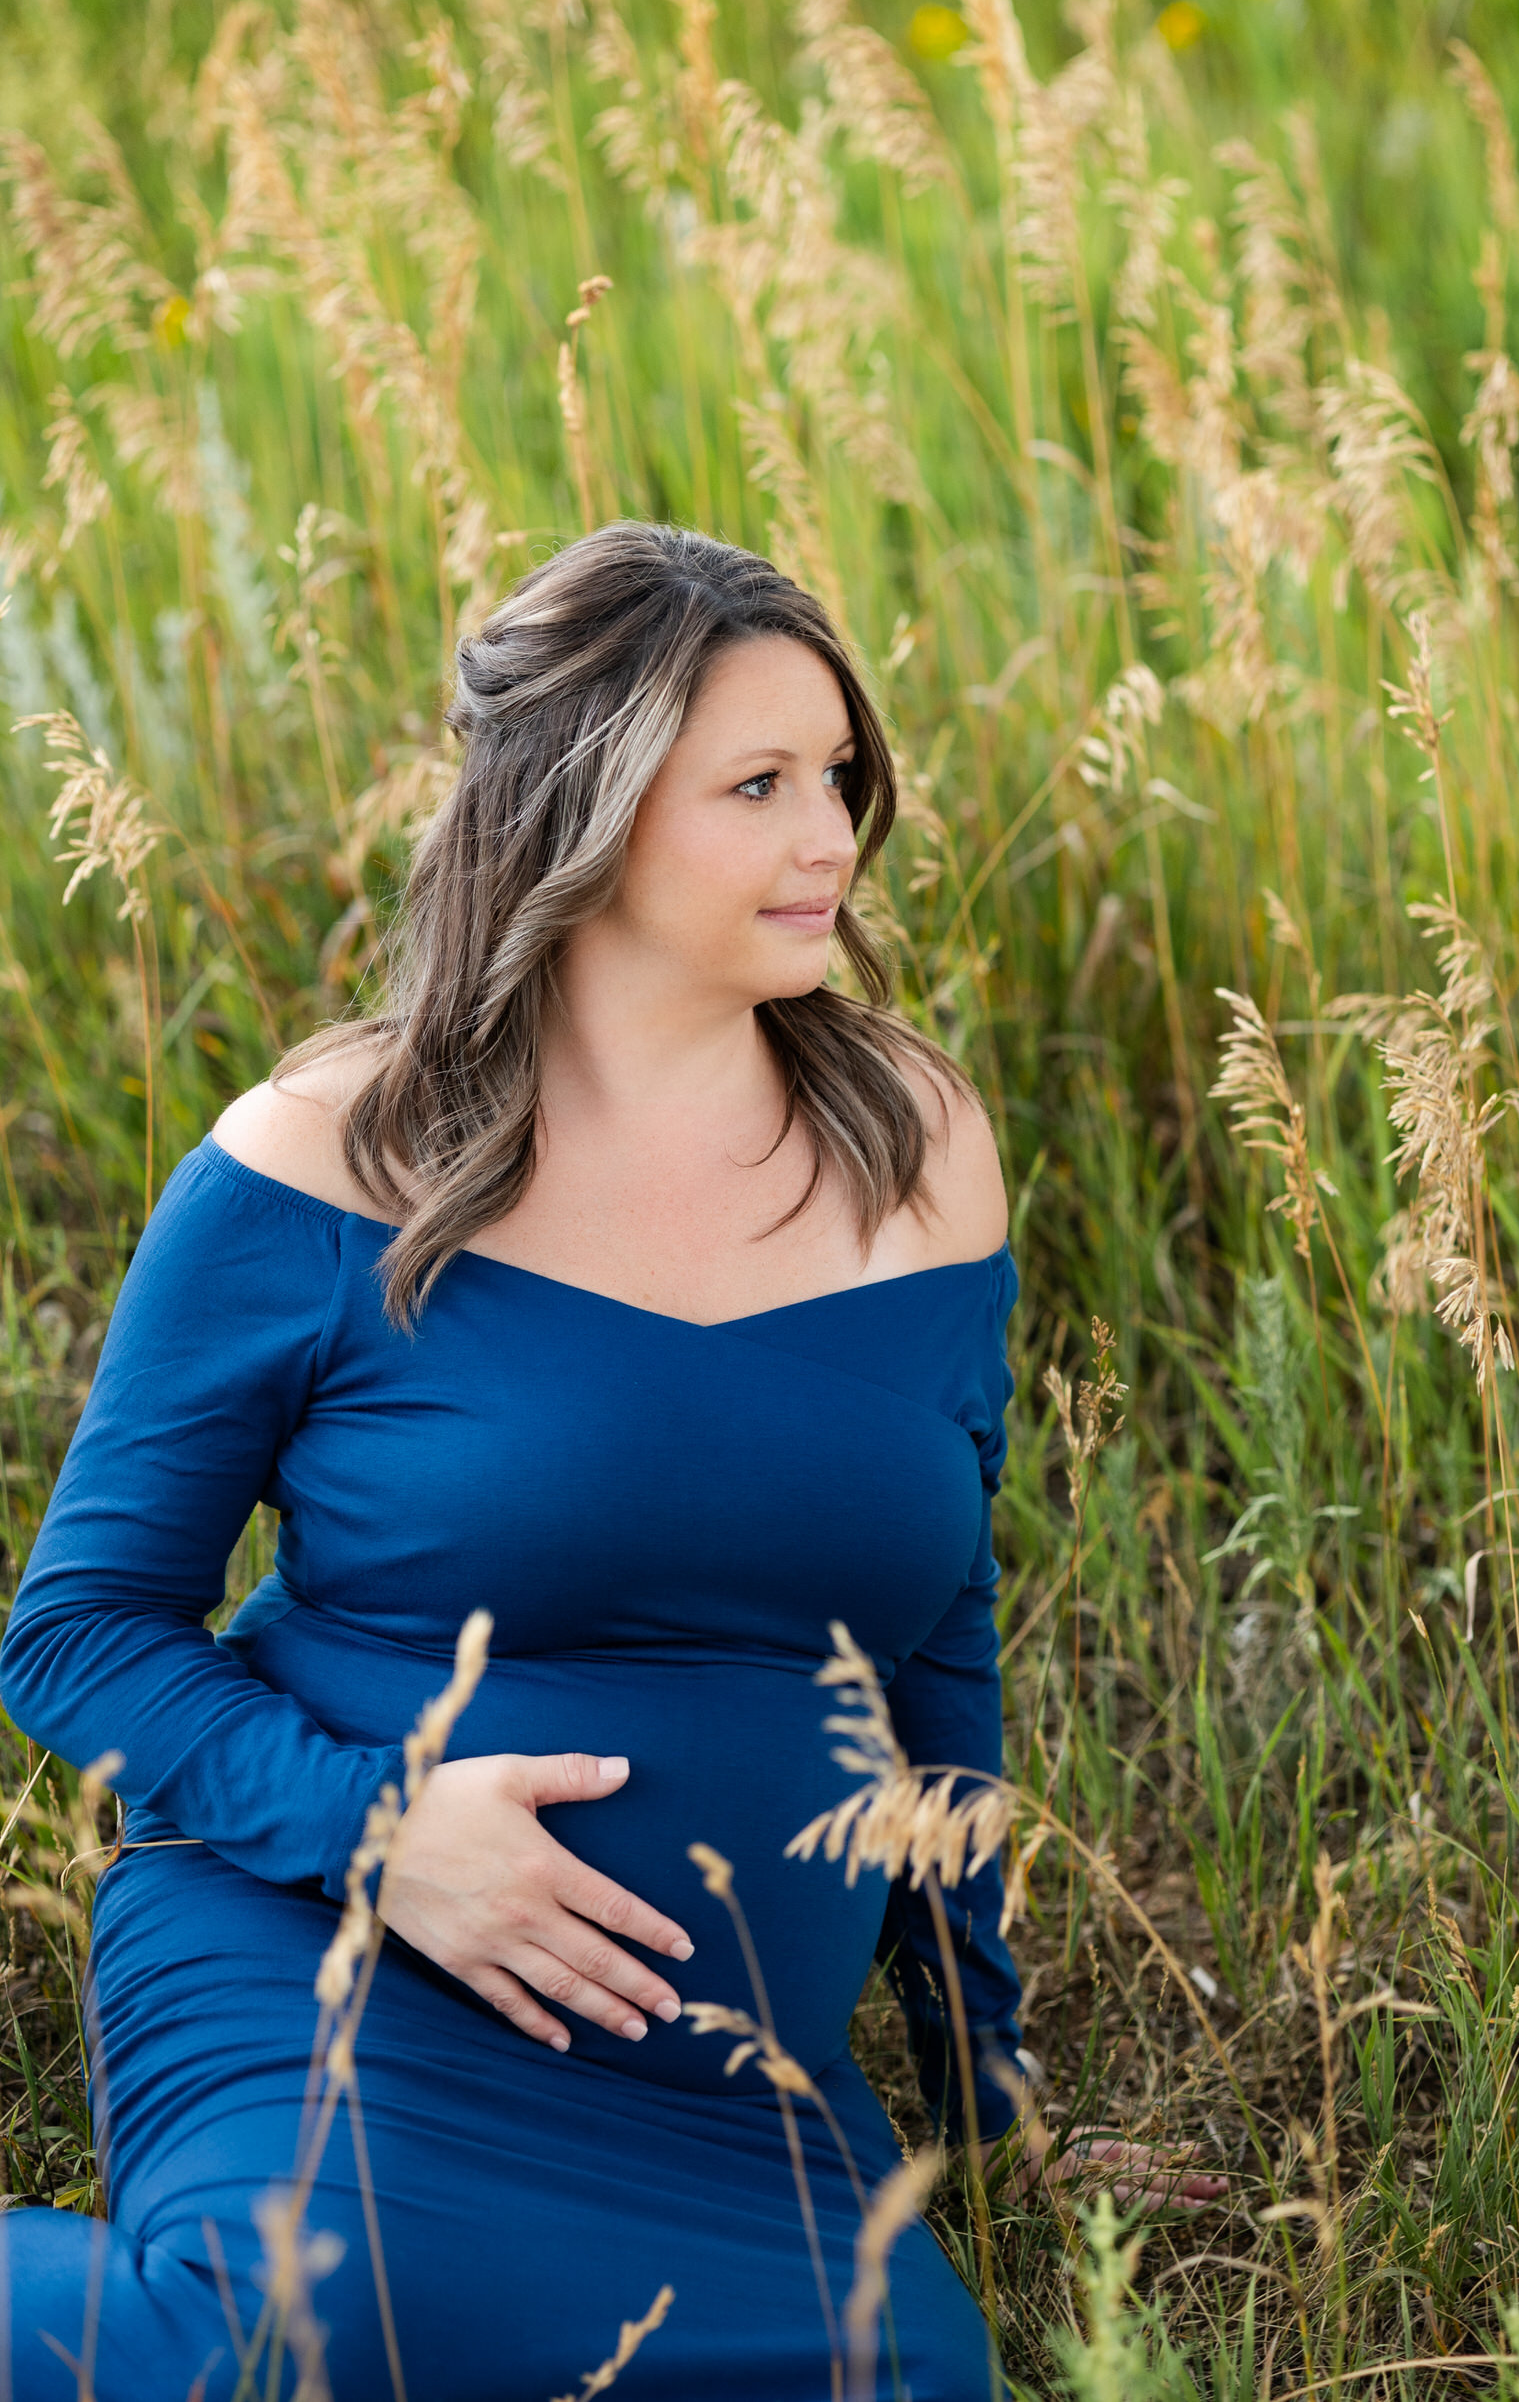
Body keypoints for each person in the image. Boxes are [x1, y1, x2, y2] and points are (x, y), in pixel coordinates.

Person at [0, 524, 1225, 2400]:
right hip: (339, 1950)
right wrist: (383, 1835)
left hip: (725, 2078)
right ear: (583, 813)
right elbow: (77, 1636)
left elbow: (935, 1656)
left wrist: (993, 2101)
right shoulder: (330, 1156)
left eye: (838, 777)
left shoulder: (917, 1150)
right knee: (272, 2351)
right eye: (759, 787)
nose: (835, 839)